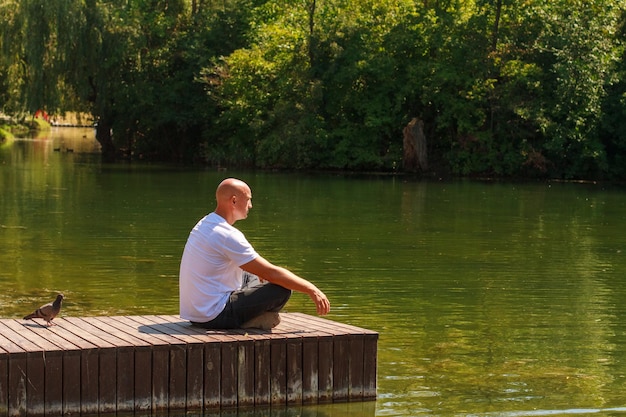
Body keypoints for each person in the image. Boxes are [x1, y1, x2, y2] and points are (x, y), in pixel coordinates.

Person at [179, 178, 331, 330]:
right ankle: (252, 320)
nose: (250, 205)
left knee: (251, 274)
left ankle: (253, 316)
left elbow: (263, 270)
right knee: (281, 289)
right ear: (234, 201)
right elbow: (272, 273)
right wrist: (311, 289)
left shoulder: (206, 223)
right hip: (214, 317)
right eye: (248, 200)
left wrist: (262, 272)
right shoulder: (227, 235)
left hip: (196, 315)